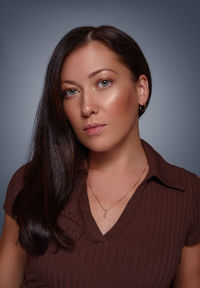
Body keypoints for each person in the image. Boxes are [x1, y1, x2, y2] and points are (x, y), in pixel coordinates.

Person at [0, 25, 199, 288]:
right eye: (71, 91)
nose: (86, 107)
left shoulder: (188, 194)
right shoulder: (31, 181)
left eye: (103, 83)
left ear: (141, 89)